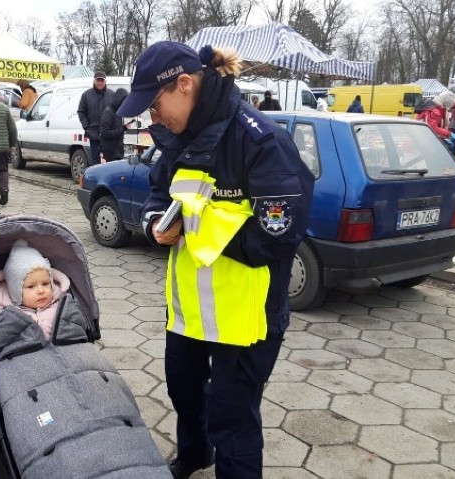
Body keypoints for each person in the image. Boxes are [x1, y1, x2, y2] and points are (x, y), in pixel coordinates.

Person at [117, 41, 314, 479]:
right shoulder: (175, 138)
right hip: (188, 310)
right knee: (185, 393)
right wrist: (153, 224)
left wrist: (195, 226)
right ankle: (194, 454)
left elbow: (276, 238)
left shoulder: (262, 142)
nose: (152, 117)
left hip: (246, 320)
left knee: (233, 419)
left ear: (184, 85)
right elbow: (157, 192)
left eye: (155, 104)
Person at [0, 239, 70, 340]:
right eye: (31, 286)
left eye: (45, 283)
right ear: (15, 291)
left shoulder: (62, 306)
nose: (41, 291)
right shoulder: (7, 316)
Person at [78, 71, 112, 167]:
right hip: (93, 134)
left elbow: (116, 113)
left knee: (109, 161)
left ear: (105, 82)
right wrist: (86, 127)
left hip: (108, 135)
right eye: (98, 81)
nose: (100, 83)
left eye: (102, 81)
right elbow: (81, 112)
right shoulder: (86, 95)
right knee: (95, 161)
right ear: (94, 81)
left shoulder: (111, 95)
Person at [99, 88, 131, 163]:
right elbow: (105, 133)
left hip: (117, 151)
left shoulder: (118, 112)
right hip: (110, 153)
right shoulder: (109, 113)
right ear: (120, 100)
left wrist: (123, 128)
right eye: (124, 101)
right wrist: (123, 128)